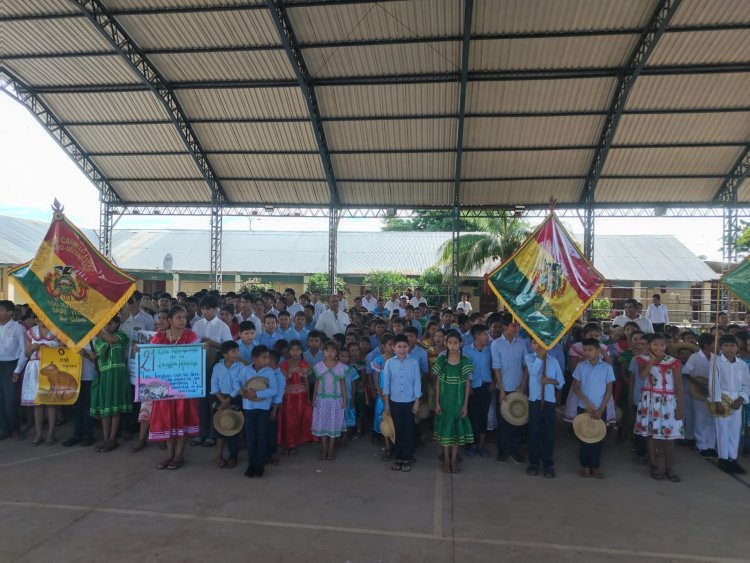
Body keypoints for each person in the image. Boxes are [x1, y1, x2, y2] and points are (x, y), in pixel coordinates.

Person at [148, 306, 203, 470]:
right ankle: (170, 454)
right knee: (167, 419)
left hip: (184, 387)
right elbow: (149, 357)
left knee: (182, 418)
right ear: (170, 320)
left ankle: (179, 455)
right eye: (178, 317)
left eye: (184, 317)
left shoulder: (191, 337)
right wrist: (140, 351)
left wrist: (203, 351)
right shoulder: (159, 337)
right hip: (164, 387)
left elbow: (197, 360)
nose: (183, 320)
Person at [635, 333, 684, 482]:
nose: (659, 347)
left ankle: (669, 467)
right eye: (655, 344)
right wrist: (652, 361)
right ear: (648, 345)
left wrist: (680, 406)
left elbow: (678, 386)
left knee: (669, 436)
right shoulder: (642, 359)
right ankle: (654, 465)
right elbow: (643, 375)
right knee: (651, 434)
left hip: (668, 400)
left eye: (662, 344)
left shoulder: (673, 362)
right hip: (650, 399)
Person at [191, 295, 233, 447]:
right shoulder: (197, 325)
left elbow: (229, 348)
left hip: (217, 367)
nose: (204, 312)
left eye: (207, 309)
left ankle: (212, 434)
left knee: (213, 400)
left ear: (215, 309)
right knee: (200, 400)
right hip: (200, 366)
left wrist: (212, 343)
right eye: (202, 309)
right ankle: (200, 433)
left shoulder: (223, 327)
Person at [572, 338, 615, 479]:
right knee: (584, 437)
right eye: (585, 350)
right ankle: (585, 465)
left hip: (600, 408)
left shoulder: (607, 368)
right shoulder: (580, 367)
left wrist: (602, 408)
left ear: (598, 350)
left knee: (598, 438)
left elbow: (609, 391)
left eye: (590, 350)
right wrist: (586, 401)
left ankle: (595, 466)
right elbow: (576, 387)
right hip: (583, 407)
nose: (587, 353)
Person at [709, 335, 750, 474]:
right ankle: (723, 459)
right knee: (722, 430)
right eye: (726, 345)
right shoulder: (716, 363)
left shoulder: (742, 364)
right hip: (722, 397)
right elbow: (714, 383)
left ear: (737, 348)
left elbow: (747, 384)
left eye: (732, 345)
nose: (729, 348)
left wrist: (741, 399)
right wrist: (717, 401)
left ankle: (733, 458)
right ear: (720, 348)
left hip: (737, 399)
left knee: (735, 430)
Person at [90, 317, 132, 452]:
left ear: (117, 324)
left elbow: (111, 340)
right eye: (105, 324)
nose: (107, 326)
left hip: (117, 375)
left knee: (115, 407)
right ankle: (105, 438)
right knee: (105, 409)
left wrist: (95, 329)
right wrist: (86, 354)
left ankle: (112, 439)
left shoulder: (121, 335)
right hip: (104, 376)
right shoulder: (98, 341)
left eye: (110, 323)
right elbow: (95, 358)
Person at [433, 330, 473, 474]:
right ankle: (445, 460)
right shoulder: (442, 360)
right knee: (445, 432)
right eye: (449, 342)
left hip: (458, 401)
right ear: (446, 343)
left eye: (455, 343)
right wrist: (437, 403)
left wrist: (465, 405)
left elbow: (467, 384)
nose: (452, 345)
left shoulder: (465, 360)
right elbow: (437, 382)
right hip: (444, 401)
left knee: (455, 433)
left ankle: (453, 460)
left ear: (461, 344)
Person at [236, 345, 277, 478]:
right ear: (255, 359)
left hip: (263, 408)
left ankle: (260, 465)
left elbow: (273, 390)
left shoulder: (269, 372)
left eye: (268, 357)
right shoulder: (245, 370)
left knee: (262, 436)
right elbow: (237, 382)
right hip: (248, 407)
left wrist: (257, 394)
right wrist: (240, 390)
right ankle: (251, 464)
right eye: (264, 357)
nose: (267, 360)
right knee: (251, 437)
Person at [491, 314, 528, 463]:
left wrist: (523, 384)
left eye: (518, 325)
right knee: (503, 421)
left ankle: (515, 450)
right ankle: (503, 451)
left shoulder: (521, 343)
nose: (517, 328)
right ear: (505, 327)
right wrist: (500, 389)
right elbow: (496, 368)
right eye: (514, 325)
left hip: (518, 389)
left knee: (518, 421)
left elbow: (526, 366)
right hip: (503, 389)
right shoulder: (496, 344)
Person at [383, 334, 422, 473]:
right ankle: (398, 458)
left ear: (409, 348)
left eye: (405, 346)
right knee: (397, 431)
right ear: (393, 348)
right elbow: (386, 385)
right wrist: (387, 404)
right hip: (394, 402)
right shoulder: (389, 363)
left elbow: (417, 383)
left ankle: (407, 458)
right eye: (399, 346)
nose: (402, 349)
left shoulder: (414, 362)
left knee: (408, 431)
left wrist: (417, 402)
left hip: (410, 402)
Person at [525, 339, 565, 478]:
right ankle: (534, 462)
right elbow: (533, 371)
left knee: (548, 433)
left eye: (541, 343)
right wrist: (540, 358)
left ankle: (548, 463)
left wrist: (550, 381)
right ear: (531, 345)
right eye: (534, 343)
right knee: (534, 432)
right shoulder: (529, 357)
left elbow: (561, 382)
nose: (538, 346)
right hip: (535, 401)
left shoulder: (553, 360)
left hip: (549, 401)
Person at [21, 316, 61, 446]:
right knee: (37, 403)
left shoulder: (57, 331)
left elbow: (63, 350)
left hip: (51, 368)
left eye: (43, 318)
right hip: (34, 368)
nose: (40, 321)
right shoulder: (30, 332)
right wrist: (32, 348)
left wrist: (49, 347)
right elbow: (26, 354)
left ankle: (51, 433)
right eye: (37, 318)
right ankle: (39, 434)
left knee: (50, 402)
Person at [682, 333, 717, 457]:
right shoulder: (695, 357)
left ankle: (711, 445)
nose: (715, 345)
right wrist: (697, 383)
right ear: (706, 345)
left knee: (712, 419)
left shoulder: (716, 357)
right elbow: (685, 372)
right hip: (698, 392)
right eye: (713, 343)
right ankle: (702, 445)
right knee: (700, 418)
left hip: (712, 392)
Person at [311, 341, 347, 461]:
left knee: (334, 425)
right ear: (323, 352)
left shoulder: (341, 366)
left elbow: (342, 384)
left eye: (332, 350)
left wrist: (345, 399)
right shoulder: (319, 366)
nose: (329, 353)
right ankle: (324, 448)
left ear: (336, 352)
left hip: (336, 400)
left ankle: (331, 449)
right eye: (327, 350)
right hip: (322, 400)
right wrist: (314, 398)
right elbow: (317, 383)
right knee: (322, 424)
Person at [211, 340, 243, 469]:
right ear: (224, 354)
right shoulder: (217, 367)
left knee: (234, 428)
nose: (237, 353)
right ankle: (219, 456)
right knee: (220, 428)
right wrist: (221, 399)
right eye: (233, 351)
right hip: (219, 397)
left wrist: (228, 400)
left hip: (234, 398)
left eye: (237, 350)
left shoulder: (241, 367)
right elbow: (214, 385)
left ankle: (233, 456)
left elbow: (239, 385)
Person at [462, 324, 492, 458]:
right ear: (477, 336)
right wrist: (467, 387)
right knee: (472, 417)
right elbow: (464, 371)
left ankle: (481, 444)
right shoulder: (466, 351)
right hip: (472, 389)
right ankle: (471, 444)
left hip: (486, 387)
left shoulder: (489, 350)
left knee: (483, 416)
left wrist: (493, 382)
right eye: (485, 334)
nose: (487, 337)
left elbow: (494, 367)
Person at [277, 340, 312, 454]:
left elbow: (306, 381)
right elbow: (281, 383)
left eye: (298, 350)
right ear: (289, 351)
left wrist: (308, 397)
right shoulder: (284, 364)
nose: (295, 352)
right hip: (287, 396)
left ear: (301, 351)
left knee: (298, 419)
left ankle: (295, 443)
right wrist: (280, 398)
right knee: (288, 420)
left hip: (301, 396)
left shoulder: (304, 363)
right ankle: (288, 443)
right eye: (293, 350)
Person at [0, 300, 26, 440]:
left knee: (10, 399)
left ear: (10, 312)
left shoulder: (18, 328)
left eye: (1, 310)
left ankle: (15, 428)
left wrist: (17, 370)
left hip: (11, 365)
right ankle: (3, 428)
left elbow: (23, 351)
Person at [63, 341, 96, 447]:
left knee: (87, 408)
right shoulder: (71, 339)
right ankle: (77, 434)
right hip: (73, 377)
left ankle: (87, 435)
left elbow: (99, 360)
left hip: (89, 377)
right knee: (76, 407)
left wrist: (85, 353)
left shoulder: (94, 339)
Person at [371, 333, 395, 458]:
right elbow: (376, 377)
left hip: (396, 396)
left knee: (395, 420)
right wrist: (379, 391)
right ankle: (387, 447)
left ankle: (395, 444)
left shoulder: (398, 358)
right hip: (383, 396)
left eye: (394, 345)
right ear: (383, 346)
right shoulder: (379, 360)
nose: (393, 347)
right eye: (390, 345)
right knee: (384, 420)